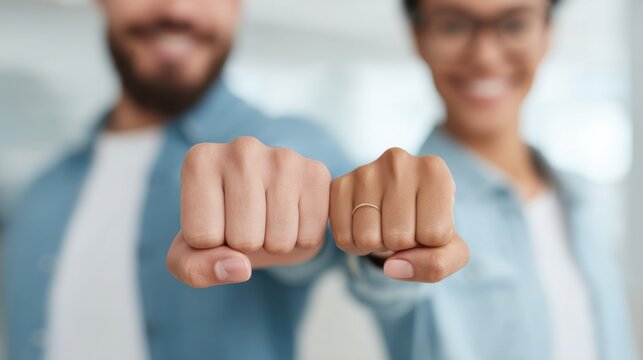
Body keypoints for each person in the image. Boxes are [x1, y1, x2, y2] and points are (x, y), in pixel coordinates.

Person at [5, 0, 470, 359]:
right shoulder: (42, 190)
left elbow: (324, 234)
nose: (177, 9)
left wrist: (375, 244)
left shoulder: (286, 144)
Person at [344, 0, 639, 359]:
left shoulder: (584, 198)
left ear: (547, 33)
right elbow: (383, 287)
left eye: (514, 25)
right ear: (419, 37)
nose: (484, 56)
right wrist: (381, 246)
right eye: (453, 26)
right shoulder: (403, 205)